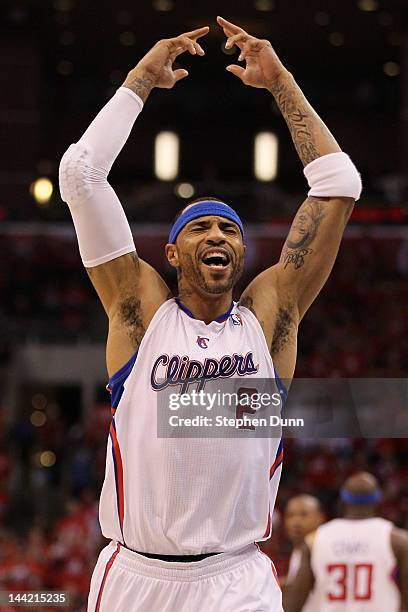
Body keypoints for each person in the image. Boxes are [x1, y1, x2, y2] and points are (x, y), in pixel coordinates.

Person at [59, 15, 362, 612]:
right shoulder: (140, 314)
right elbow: (81, 174)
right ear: (172, 251)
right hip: (138, 577)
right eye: (199, 226)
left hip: (237, 577)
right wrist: (140, 81)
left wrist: (282, 84)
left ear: (244, 252)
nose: (216, 234)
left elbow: (338, 184)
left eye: (229, 228)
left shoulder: (269, 318)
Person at [284, 472, 408, 612]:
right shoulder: (397, 540)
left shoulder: (315, 540)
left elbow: (295, 602)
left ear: (342, 501)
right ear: (378, 500)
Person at [283, 494, 324, 611]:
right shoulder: (299, 549)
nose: (296, 521)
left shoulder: (318, 547)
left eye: (304, 514)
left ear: (320, 517)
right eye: (290, 515)